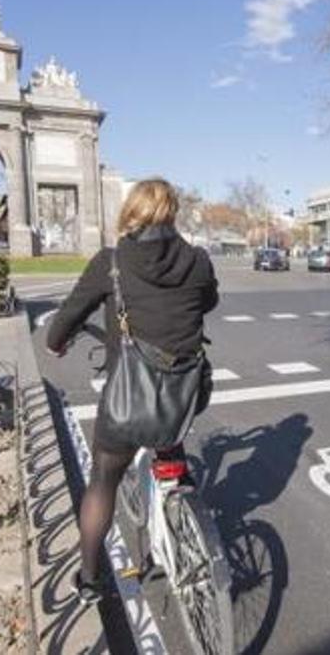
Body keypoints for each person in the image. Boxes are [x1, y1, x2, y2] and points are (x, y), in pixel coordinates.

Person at [45, 178, 219, 604]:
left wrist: (57, 340)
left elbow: (63, 323)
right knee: (168, 437)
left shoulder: (112, 262)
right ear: (172, 214)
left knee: (103, 479)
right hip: (185, 392)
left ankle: (88, 579)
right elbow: (208, 302)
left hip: (129, 398)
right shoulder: (198, 260)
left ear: (131, 213)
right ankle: (178, 492)